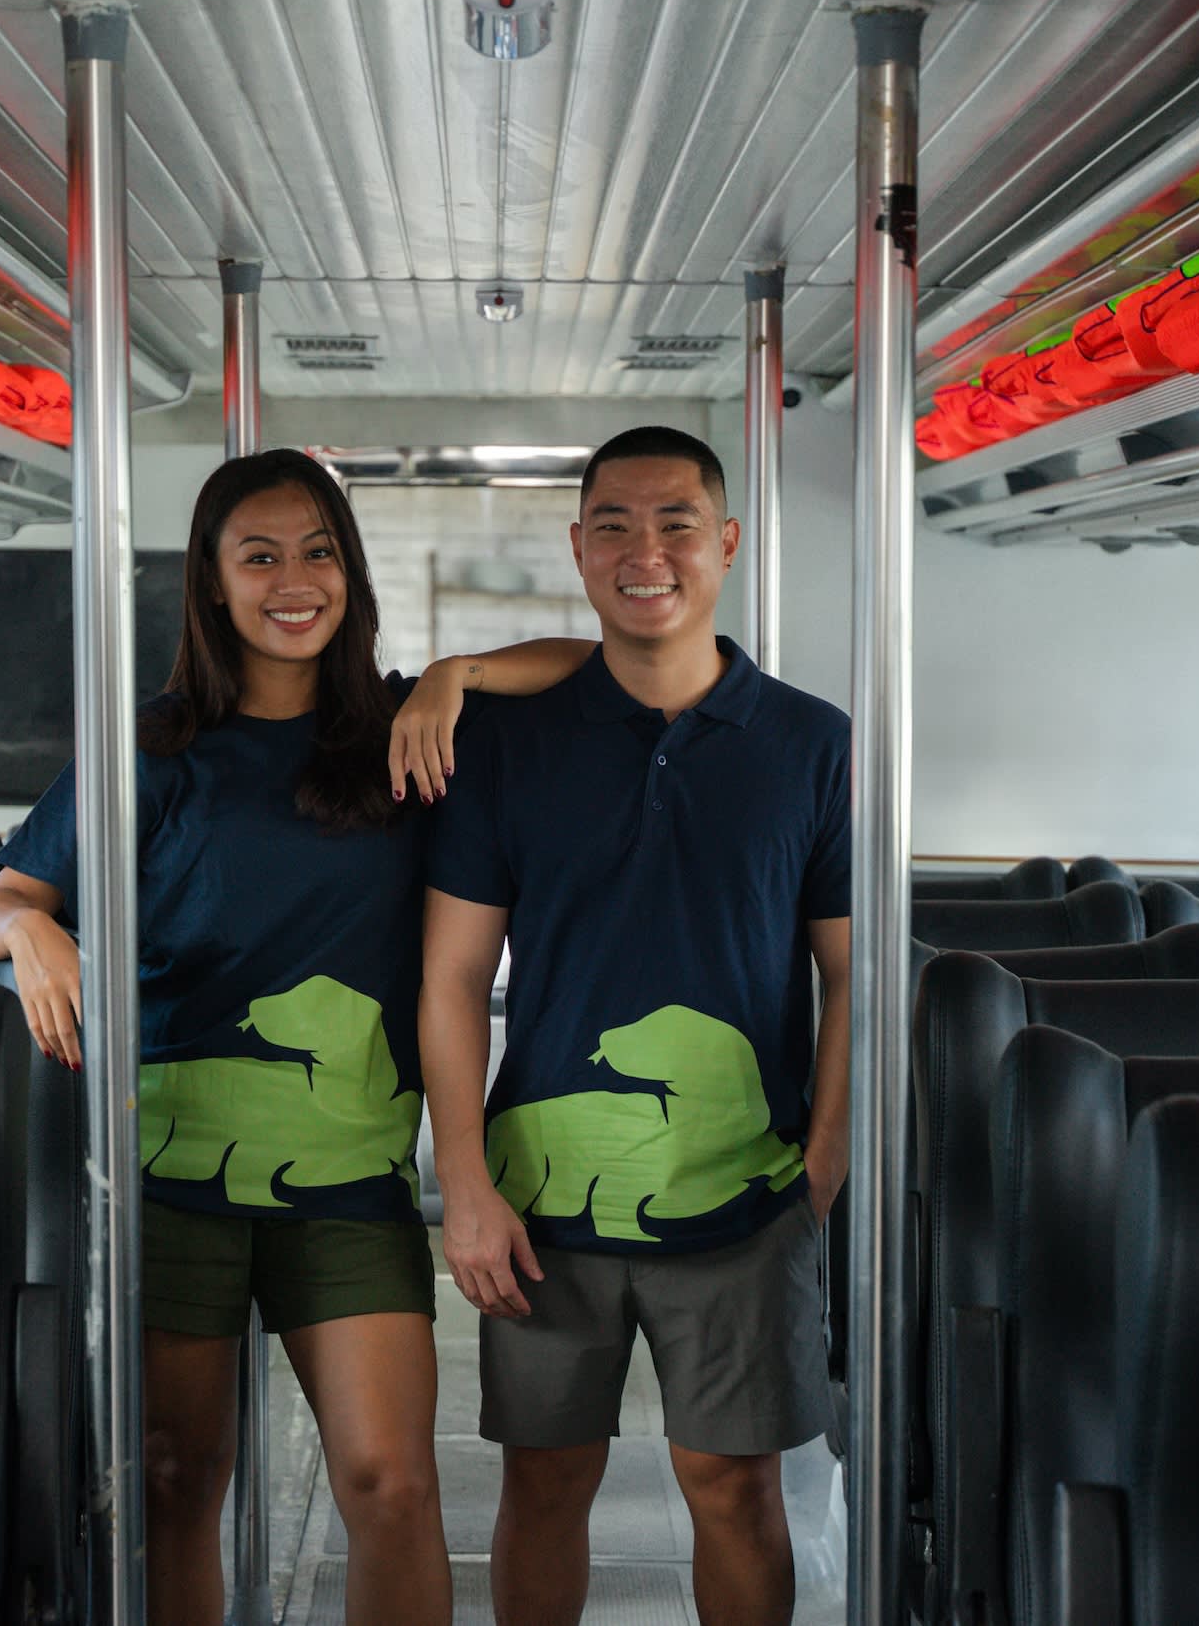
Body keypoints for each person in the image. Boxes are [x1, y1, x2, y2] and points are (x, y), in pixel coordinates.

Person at [0, 446, 588, 1626]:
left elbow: (592, 666)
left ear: (350, 572)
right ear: (211, 581)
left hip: (349, 1180)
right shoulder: (148, 750)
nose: (293, 581)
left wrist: (455, 673)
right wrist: (32, 932)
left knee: (391, 1484)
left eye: (318, 553)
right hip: (166, 1174)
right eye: (259, 557)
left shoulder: (407, 732)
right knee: (173, 1479)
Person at [419, 426, 852, 1626]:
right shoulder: (506, 744)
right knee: (545, 1482)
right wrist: (465, 1183)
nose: (643, 552)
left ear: (726, 543)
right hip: (542, 1199)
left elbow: (851, 973)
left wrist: (824, 1156)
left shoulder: (813, 745)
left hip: (747, 1193)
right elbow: (452, 977)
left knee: (734, 1488)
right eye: (612, 525)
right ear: (577, 548)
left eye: (675, 525)